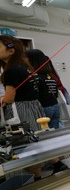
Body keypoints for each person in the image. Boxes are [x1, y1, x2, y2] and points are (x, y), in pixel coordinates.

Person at [0, 35, 46, 180]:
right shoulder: (25, 67)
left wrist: (1, 99)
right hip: (33, 107)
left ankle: (31, 179)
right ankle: (38, 176)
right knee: (34, 142)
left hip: (20, 112)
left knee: (23, 145)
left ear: (11, 51)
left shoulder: (11, 71)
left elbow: (9, 97)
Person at [26, 49, 61, 129]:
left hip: (44, 108)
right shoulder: (49, 75)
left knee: (44, 134)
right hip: (55, 106)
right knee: (55, 133)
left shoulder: (35, 77)